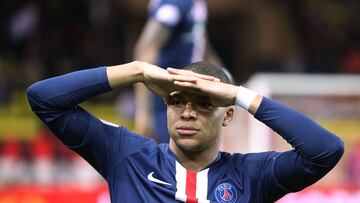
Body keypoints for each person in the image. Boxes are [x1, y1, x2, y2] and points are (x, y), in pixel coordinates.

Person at [27, 61, 344, 202]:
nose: (188, 112)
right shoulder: (127, 155)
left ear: (228, 115)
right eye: (176, 101)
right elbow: (43, 99)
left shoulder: (252, 176)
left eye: (204, 103)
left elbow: (325, 151)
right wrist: (136, 71)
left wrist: (240, 95)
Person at [133, 0, 223, 143]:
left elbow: (200, 44)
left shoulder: (197, 5)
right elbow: (146, 49)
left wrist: (225, 78)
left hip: (190, 96)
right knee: (171, 158)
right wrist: (143, 111)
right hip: (169, 98)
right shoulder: (176, 3)